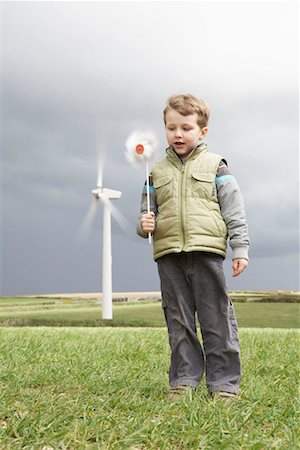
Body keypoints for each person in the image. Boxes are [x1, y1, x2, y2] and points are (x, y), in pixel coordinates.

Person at [137, 94, 250, 399]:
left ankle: (224, 384)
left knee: (216, 318)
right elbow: (146, 215)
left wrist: (240, 248)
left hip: (207, 252)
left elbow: (234, 211)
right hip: (169, 255)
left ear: (202, 132)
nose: (178, 134)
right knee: (179, 320)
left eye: (186, 128)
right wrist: (143, 225)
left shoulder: (217, 166)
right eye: (171, 127)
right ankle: (184, 380)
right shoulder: (154, 172)